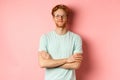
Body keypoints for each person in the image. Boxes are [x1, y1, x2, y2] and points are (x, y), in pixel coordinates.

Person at [38, 4, 83, 80]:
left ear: (67, 17)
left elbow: (76, 65)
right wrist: (67, 60)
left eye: (63, 16)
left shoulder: (76, 38)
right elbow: (42, 63)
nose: (60, 18)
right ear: (53, 18)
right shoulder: (45, 37)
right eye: (57, 16)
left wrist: (51, 62)